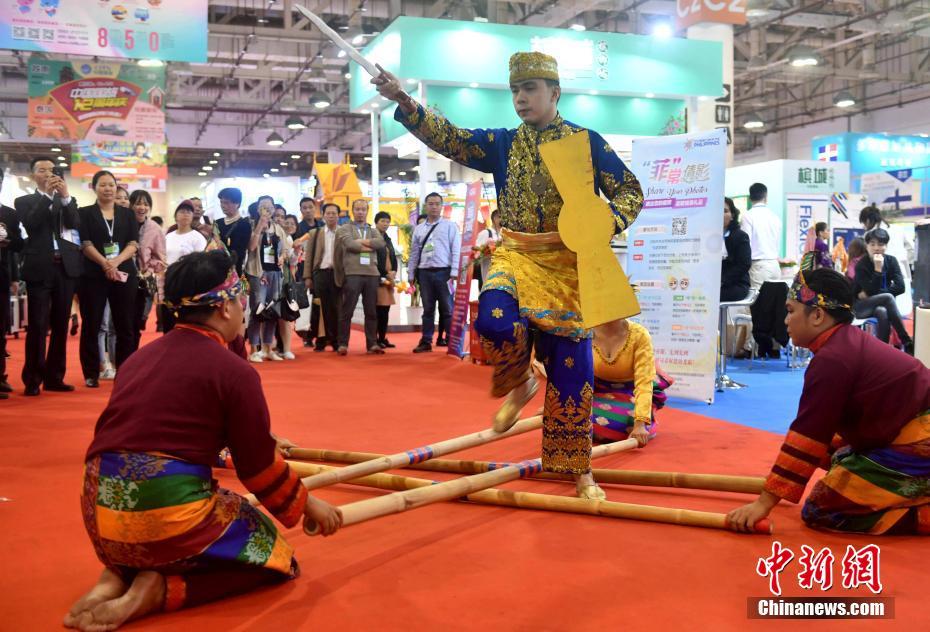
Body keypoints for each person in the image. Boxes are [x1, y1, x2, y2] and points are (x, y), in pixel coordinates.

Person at [375, 52, 644, 499]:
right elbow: (452, 138)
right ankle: (520, 381)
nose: (520, 98)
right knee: (493, 319)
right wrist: (404, 99)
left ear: (555, 93)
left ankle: (579, 471)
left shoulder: (586, 142)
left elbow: (630, 191)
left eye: (530, 89)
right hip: (516, 254)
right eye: (515, 90)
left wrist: (605, 223)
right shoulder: (502, 143)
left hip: (568, 265)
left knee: (571, 372)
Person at [64, 251, 341, 632]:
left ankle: (118, 574)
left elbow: (165, 429)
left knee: (192, 508)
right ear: (225, 307)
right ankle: (157, 591)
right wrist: (310, 504)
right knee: (274, 553)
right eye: (240, 298)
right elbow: (256, 466)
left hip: (101, 513)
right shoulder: (234, 372)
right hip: (162, 514)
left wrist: (261, 438)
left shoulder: (141, 358)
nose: (244, 308)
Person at [727, 268, 930, 535]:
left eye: (790, 311)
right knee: (838, 457)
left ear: (818, 316)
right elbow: (820, 434)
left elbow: (809, 434)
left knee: (823, 508)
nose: (785, 320)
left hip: (921, 438)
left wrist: (764, 503)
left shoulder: (833, 359)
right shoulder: (843, 345)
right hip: (906, 430)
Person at [17, 156, 83, 396]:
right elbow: (32, 224)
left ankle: (55, 377)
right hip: (39, 267)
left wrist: (64, 197)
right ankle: (32, 379)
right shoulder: (24, 201)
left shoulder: (67, 200)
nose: (48, 174)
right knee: (37, 324)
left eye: (52, 170)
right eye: (42, 170)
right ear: (33, 175)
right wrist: (46, 195)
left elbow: (75, 223)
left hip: (65, 268)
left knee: (60, 324)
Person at [76, 171, 140, 388]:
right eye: (102, 185)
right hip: (93, 274)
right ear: (94, 187)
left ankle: (125, 371)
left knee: (125, 324)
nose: (108, 189)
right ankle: (91, 372)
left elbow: (133, 243)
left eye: (111, 184)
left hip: (124, 272)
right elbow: (85, 243)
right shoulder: (84, 213)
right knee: (92, 324)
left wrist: (116, 262)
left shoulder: (127, 214)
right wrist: (105, 263)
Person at [590, 318, 670, 446]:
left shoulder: (639, 334)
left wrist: (640, 424)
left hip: (632, 392)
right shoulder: (583, 332)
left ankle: (647, 415)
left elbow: (644, 382)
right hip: (598, 392)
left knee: (625, 424)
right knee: (577, 419)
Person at [407, 192, 460, 353]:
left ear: (441, 206)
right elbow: (414, 253)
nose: (434, 207)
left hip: (445, 272)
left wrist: (455, 271)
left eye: (437, 204)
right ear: (426, 206)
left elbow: (456, 249)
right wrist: (411, 274)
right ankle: (426, 341)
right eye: (431, 204)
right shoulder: (419, 229)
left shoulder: (450, 226)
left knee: (448, 309)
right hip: (424, 273)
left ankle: (452, 341)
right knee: (428, 309)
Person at [334, 199, 384, 355]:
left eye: (363, 209)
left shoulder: (373, 230)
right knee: (347, 310)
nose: (360, 212)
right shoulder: (344, 228)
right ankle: (342, 344)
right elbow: (350, 244)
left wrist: (360, 243)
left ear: (367, 211)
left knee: (371, 312)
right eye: (357, 209)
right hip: (352, 273)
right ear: (353, 210)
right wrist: (369, 246)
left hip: (372, 274)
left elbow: (380, 243)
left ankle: (372, 344)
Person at [853, 228, 913, 353]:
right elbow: (871, 291)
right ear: (867, 246)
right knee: (888, 297)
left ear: (886, 246)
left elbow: (900, 287)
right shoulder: (861, 265)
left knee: (882, 311)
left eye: (880, 244)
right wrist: (878, 269)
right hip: (860, 307)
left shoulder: (891, 261)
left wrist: (876, 294)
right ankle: (906, 340)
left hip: (881, 305)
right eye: (872, 244)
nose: (876, 248)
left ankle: (881, 351)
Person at [245, 197, 288, 362]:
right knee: (258, 309)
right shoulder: (251, 225)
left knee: (272, 311)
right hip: (258, 273)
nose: (266, 209)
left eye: (269, 207)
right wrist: (260, 226)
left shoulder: (278, 228)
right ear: (258, 209)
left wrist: (282, 257)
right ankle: (253, 349)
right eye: (263, 206)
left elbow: (285, 250)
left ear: (273, 209)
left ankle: (268, 348)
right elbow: (251, 247)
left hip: (275, 273)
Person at [161, 201, 208, 334]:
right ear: (175, 216)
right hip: (168, 282)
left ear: (193, 216)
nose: (185, 214)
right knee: (168, 319)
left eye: (189, 212)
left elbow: (202, 263)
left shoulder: (198, 237)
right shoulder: (168, 236)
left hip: (188, 284)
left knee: (185, 320)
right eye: (182, 211)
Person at [860, 205, 914, 317]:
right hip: (901, 273)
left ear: (868, 220)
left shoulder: (869, 235)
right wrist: (904, 261)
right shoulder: (898, 229)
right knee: (900, 311)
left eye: (864, 223)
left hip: (880, 275)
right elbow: (911, 249)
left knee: (883, 310)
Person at [303, 203, 341, 352]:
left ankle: (335, 340)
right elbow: (309, 257)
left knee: (335, 308)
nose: (331, 216)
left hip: (337, 274)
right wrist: (308, 276)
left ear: (338, 216)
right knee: (320, 309)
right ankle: (321, 340)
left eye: (334, 213)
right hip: (320, 274)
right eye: (328, 213)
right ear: (323, 215)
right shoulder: (315, 233)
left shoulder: (343, 233)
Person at [131, 190, 166, 349]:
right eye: (138, 203)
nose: (142, 207)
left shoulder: (155, 229)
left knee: (136, 322)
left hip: (143, 280)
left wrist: (148, 269)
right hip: (120, 278)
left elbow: (161, 259)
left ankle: (132, 356)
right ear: (131, 205)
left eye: (146, 204)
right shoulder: (122, 224)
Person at [0, 193, 23, 399]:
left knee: (1, 328)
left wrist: (6, 239)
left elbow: (18, 246)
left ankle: (0, 376)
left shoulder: (9, 213)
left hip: (2, 276)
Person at [741, 183, 782, 290]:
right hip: (774, 265)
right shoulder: (774, 217)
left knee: (758, 299)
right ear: (766, 197)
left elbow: (745, 244)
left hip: (758, 266)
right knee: (774, 298)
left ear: (750, 198)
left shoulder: (748, 216)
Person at [213, 188, 251, 276]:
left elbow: (239, 252)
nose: (223, 205)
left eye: (226, 203)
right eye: (221, 202)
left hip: (233, 270)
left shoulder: (244, 224)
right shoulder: (217, 223)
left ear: (237, 204)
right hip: (215, 268)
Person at [374, 210, 397, 348]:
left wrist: (394, 271)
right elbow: (373, 260)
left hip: (388, 279)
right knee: (378, 311)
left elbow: (393, 257)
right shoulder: (373, 237)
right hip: (378, 279)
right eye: (382, 221)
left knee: (385, 310)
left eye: (387, 221)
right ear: (376, 222)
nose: (385, 224)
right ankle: (375, 339)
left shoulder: (388, 239)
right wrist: (384, 274)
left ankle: (382, 338)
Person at [721, 197, 751, 302]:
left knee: (711, 295)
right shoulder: (706, 236)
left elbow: (744, 264)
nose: (720, 214)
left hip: (736, 284)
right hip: (710, 283)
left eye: (725, 211)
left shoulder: (740, 236)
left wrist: (722, 280)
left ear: (732, 215)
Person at [474, 209, 502, 288]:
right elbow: (476, 256)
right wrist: (486, 251)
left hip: (503, 277)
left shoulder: (504, 234)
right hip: (489, 277)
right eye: (500, 217)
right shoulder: (485, 233)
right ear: (495, 218)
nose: (503, 220)